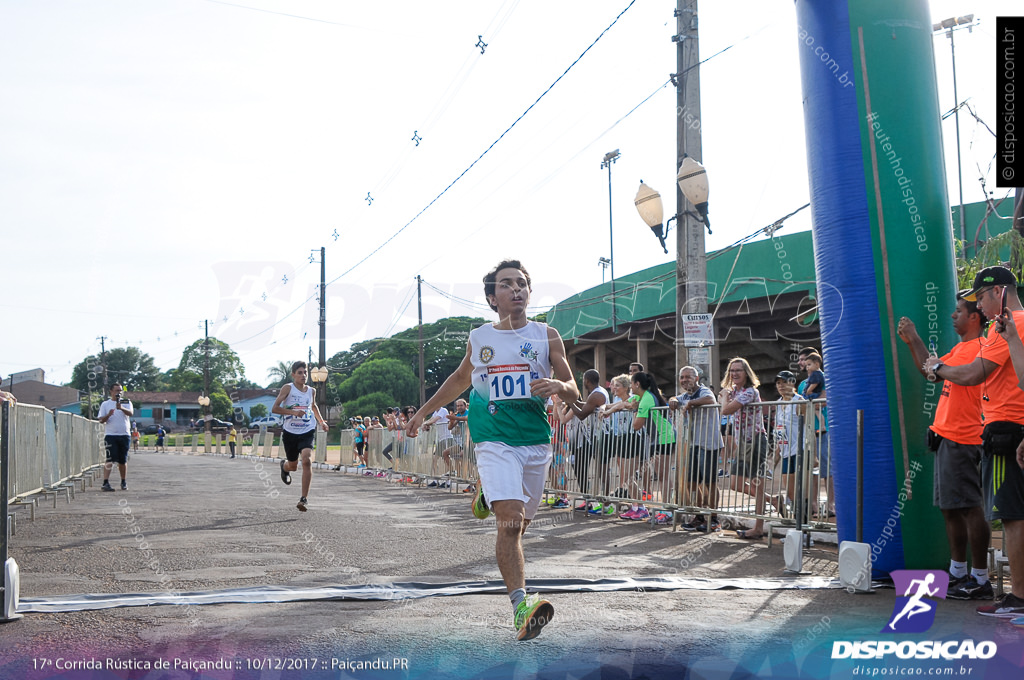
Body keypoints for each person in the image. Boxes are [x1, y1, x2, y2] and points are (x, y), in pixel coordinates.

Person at [406, 259, 578, 641]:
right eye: (506, 284)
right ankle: (521, 607)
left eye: (522, 283)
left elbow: (574, 389)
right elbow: (459, 379)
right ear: (492, 297)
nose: (516, 289)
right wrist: (423, 412)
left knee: (518, 527)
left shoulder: (546, 336)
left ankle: (490, 491)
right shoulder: (481, 337)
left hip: (534, 439)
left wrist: (558, 386)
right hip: (493, 437)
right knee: (511, 520)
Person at [924, 266, 1024, 618]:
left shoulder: (1010, 325)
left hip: (1005, 430)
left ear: (997, 291)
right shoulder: (1010, 326)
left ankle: (1015, 596)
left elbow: (972, 374)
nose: (979, 306)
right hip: (1007, 430)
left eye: (980, 297)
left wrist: (938, 369)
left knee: (1012, 516)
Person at [898, 293, 991, 599]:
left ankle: (979, 579)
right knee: (952, 509)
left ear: (974, 317)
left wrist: (915, 338)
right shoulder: (962, 348)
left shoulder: (979, 348)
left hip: (965, 438)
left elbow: (938, 371)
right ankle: (958, 573)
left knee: (969, 507)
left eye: (958, 311)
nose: (953, 316)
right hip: (947, 438)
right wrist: (913, 340)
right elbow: (931, 371)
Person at [720, 358, 773, 540]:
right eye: (732, 370)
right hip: (742, 442)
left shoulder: (750, 392)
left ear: (746, 373)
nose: (734, 373)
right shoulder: (735, 391)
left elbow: (725, 410)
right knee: (735, 483)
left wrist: (725, 397)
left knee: (757, 484)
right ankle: (773, 500)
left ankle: (758, 527)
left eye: (738, 370)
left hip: (756, 440)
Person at [670, 366, 724, 532]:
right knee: (690, 483)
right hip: (693, 444)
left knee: (710, 482)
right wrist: (673, 400)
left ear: (697, 378)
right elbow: (675, 399)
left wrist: (690, 403)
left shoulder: (703, 391)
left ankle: (714, 518)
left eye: (688, 377)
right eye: (682, 377)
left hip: (708, 444)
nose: (685, 380)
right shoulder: (685, 395)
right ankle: (699, 515)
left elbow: (710, 400)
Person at [272, 361, 329, 512]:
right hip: (290, 432)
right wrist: (293, 413)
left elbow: (313, 406)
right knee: (293, 466)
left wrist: (321, 421)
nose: (303, 375)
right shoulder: (287, 388)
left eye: (305, 372)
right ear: (293, 375)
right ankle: (284, 467)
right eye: (300, 373)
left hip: (307, 429)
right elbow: (275, 408)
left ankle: (303, 499)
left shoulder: (311, 391)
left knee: (306, 460)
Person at [630, 371, 675, 522]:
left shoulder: (646, 398)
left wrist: (635, 410)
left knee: (663, 476)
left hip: (665, 438)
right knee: (662, 476)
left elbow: (636, 425)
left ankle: (667, 510)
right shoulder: (641, 396)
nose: (630, 386)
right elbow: (625, 402)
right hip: (659, 438)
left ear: (637, 384)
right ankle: (666, 508)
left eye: (631, 383)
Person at [770, 371, 808, 521]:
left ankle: (804, 528)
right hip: (785, 452)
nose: (781, 386)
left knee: (800, 490)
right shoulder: (779, 403)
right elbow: (780, 431)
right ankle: (796, 525)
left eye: (784, 382)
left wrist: (814, 454)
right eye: (778, 383)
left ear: (792, 383)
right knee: (790, 492)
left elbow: (808, 427)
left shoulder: (799, 401)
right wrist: (776, 455)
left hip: (799, 450)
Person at [98, 383, 133, 491]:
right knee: (110, 458)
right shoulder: (105, 404)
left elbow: (130, 413)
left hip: (124, 434)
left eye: (120, 390)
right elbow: (101, 420)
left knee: (122, 460)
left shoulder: (126, 402)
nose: (119, 392)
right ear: (111, 392)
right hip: (111, 435)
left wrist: (121, 408)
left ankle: (123, 481)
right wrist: (108, 414)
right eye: (117, 390)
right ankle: (105, 482)